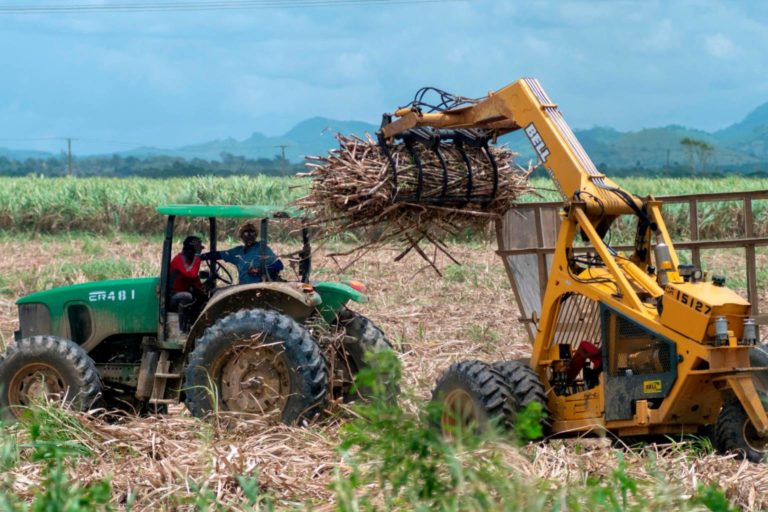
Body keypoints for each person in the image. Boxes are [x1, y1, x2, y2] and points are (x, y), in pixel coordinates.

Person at [202, 221, 283, 284]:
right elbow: (217, 254)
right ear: (241, 236)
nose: (249, 236)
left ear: (256, 235)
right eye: (246, 233)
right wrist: (199, 257)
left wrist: (260, 270)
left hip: (258, 286)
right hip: (243, 286)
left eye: (252, 233)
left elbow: (279, 265)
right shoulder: (237, 252)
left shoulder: (262, 248)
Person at [168, 235, 207, 333]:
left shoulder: (190, 262)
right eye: (198, 250)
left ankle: (199, 328)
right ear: (190, 250)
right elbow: (192, 274)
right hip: (172, 296)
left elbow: (195, 281)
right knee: (187, 296)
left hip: (181, 294)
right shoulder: (179, 259)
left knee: (204, 297)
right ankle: (182, 331)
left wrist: (204, 288)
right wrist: (197, 255)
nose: (199, 252)